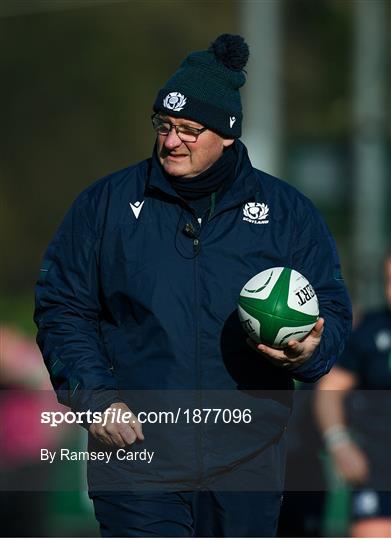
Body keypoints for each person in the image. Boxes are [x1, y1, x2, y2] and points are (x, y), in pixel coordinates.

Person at [34, 34, 352, 537]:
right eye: (164, 125)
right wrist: (95, 398)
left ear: (227, 135)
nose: (171, 140)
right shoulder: (106, 206)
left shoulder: (287, 212)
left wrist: (308, 352)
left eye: (188, 128)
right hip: (136, 456)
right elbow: (63, 310)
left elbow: (331, 311)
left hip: (247, 456)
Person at [315, 253, 391, 537]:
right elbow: (329, 391)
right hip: (379, 471)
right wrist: (338, 441)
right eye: (388, 281)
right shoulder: (370, 331)